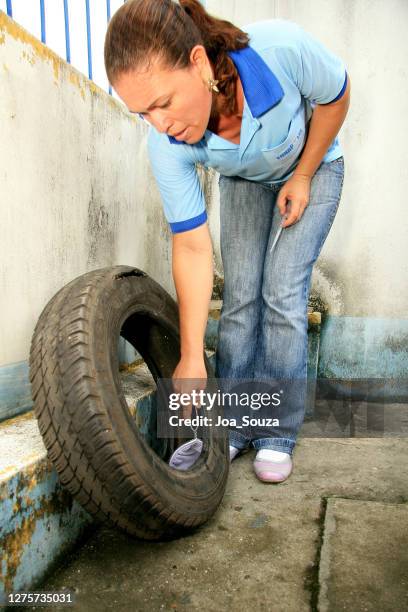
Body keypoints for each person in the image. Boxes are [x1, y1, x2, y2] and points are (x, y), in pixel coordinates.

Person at [104, 0, 350, 483]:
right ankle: (236, 423)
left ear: (197, 63)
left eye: (162, 103)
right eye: (141, 113)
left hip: (314, 168)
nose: (159, 125)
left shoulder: (280, 50)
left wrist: (301, 176)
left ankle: (277, 432)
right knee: (240, 294)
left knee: (281, 289)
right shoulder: (166, 143)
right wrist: (192, 353)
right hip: (244, 180)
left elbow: (337, 98)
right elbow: (193, 247)